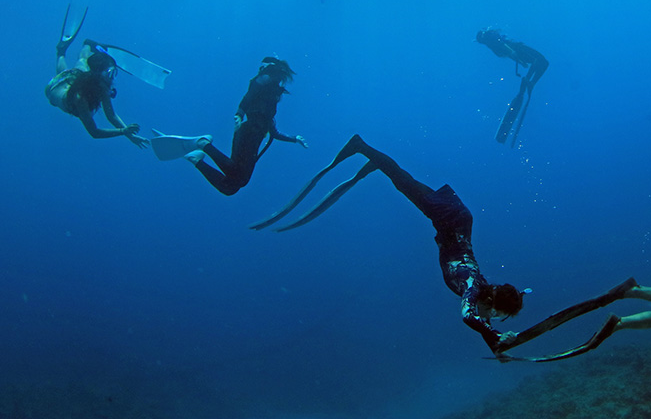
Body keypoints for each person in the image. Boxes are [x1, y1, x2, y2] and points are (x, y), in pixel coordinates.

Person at [254, 134, 525, 353]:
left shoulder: (480, 290)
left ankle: (376, 161)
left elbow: (480, 319)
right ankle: (361, 146)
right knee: (401, 181)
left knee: (404, 180)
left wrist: (496, 345)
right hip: (451, 220)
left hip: (458, 220)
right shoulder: (472, 285)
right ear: (491, 299)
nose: (490, 316)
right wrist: (496, 335)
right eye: (495, 312)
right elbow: (469, 317)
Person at [154, 57, 307, 195]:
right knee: (238, 178)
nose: (260, 69)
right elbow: (248, 96)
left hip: (253, 134)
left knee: (231, 187)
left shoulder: (272, 92)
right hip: (249, 132)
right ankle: (203, 144)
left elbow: (274, 132)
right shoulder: (264, 79)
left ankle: (197, 160)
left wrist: (294, 139)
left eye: (262, 66)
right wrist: (240, 114)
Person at [46, 36, 148, 148]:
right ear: (99, 74)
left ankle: (86, 45)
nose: (112, 78)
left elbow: (111, 115)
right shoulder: (81, 99)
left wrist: (130, 136)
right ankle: (61, 53)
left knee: (81, 63)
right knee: (64, 73)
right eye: (110, 73)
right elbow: (94, 132)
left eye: (114, 72)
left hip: (74, 79)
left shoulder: (101, 85)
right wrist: (123, 131)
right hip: (54, 88)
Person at [476, 29, 549, 145]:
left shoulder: (492, 45)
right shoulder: (492, 38)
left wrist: (521, 62)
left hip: (517, 51)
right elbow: (507, 48)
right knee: (542, 61)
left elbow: (507, 52)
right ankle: (530, 82)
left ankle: (530, 82)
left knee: (541, 62)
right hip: (517, 48)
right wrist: (519, 60)